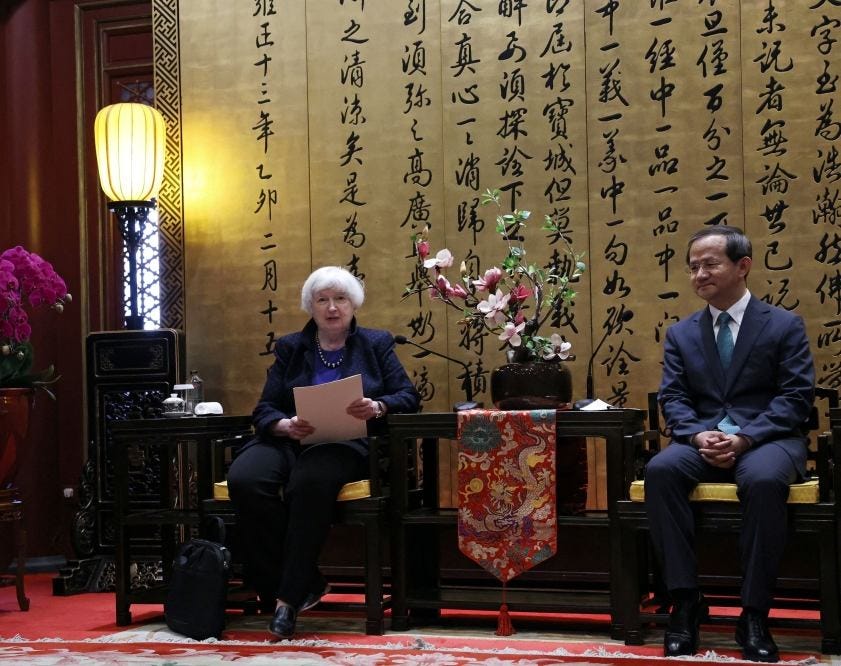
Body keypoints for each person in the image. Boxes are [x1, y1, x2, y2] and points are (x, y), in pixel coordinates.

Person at [644, 227, 814, 663]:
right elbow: (675, 397)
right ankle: (685, 603)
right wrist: (699, 434)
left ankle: (753, 613)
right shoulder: (682, 334)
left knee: (762, 481)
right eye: (694, 267)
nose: (699, 274)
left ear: (743, 266)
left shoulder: (783, 325)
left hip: (766, 440)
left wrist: (744, 438)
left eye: (710, 264)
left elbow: (795, 397)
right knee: (660, 470)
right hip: (703, 439)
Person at [226, 266, 420, 640]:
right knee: (245, 479)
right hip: (289, 438)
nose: (332, 307)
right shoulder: (290, 347)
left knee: (308, 484)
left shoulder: (376, 344)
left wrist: (377, 406)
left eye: (340, 299)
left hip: (343, 442)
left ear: (353, 303)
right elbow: (264, 409)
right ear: (311, 307)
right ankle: (307, 581)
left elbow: (408, 397)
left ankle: (285, 599)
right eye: (323, 300)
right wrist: (283, 425)